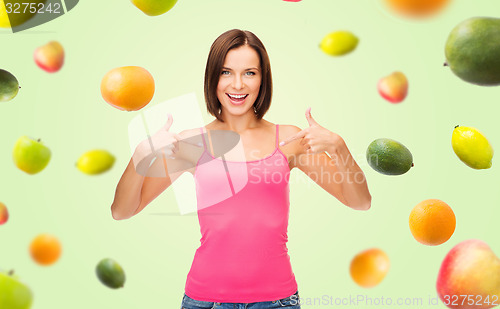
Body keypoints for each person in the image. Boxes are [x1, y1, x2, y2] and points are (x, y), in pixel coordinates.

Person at [110, 29, 372, 309]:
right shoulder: (191, 143)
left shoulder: (289, 139)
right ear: (213, 78)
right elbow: (122, 211)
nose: (238, 85)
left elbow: (360, 202)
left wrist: (340, 148)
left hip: (277, 301)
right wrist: (140, 155)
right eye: (226, 72)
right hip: (204, 300)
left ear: (263, 79)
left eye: (250, 73)